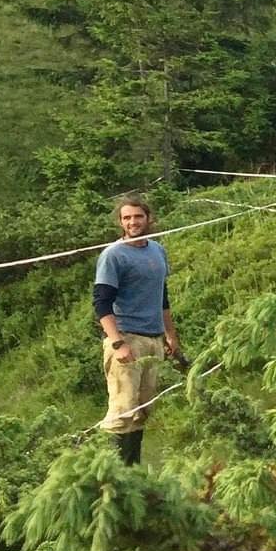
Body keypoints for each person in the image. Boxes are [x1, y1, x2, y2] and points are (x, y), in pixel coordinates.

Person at [93, 194, 181, 464]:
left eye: (138, 216)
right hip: (127, 339)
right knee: (123, 410)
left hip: (153, 340)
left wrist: (170, 335)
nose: (133, 222)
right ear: (120, 222)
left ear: (148, 219)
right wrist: (118, 343)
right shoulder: (113, 255)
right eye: (127, 218)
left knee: (143, 409)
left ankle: (134, 472)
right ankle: (113, 473)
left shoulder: (157, 250)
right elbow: (101, 303)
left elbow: (162, 296)